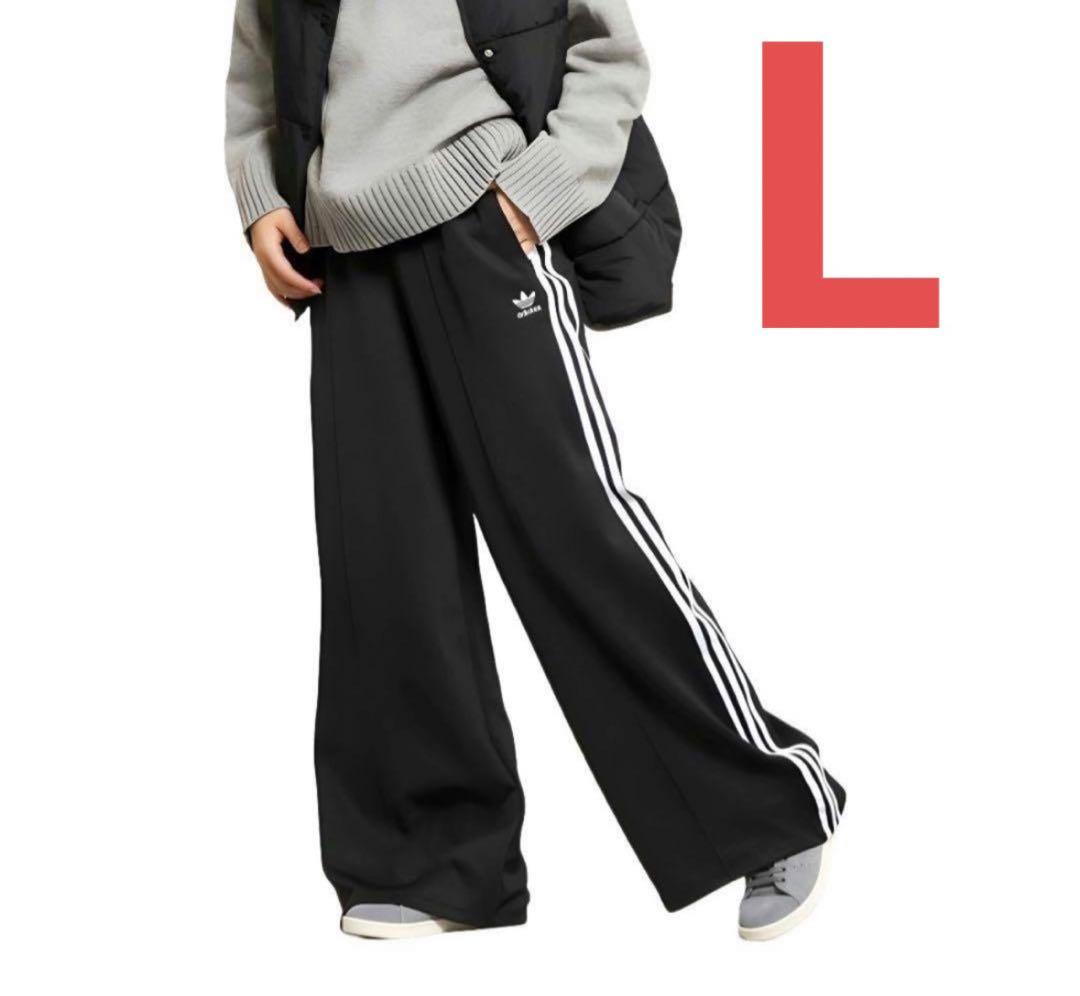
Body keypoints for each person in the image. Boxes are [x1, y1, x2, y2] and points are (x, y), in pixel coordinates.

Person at [225, 0, 844, 943]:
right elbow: (258, 59)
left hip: (483, 224)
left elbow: (608, 53)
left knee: (572, 531)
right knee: (384, 566)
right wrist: (260, 196)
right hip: (342, 252)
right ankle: (435, 867)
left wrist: (536, 191)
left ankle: (772, 809)